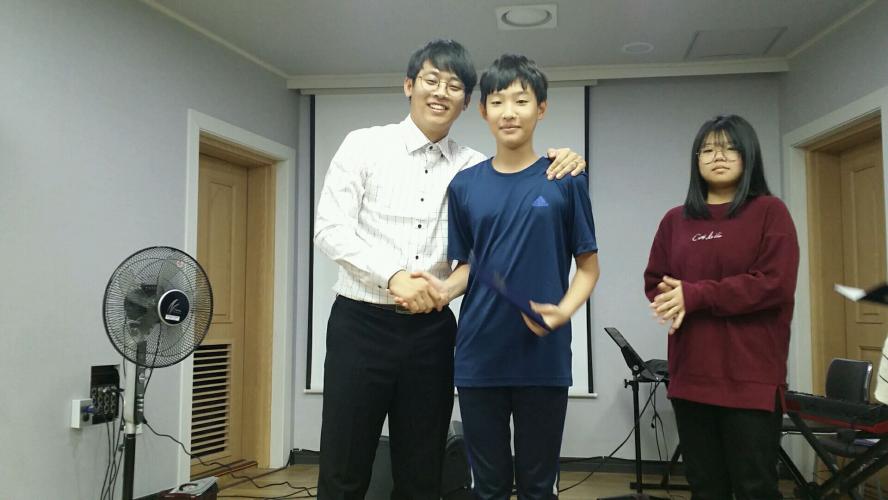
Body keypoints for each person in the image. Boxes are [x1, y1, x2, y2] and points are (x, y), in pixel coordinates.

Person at [313, 39, 585, 500]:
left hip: (432, 334)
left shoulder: (474, 168)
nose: (441, 92)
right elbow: (330, 229)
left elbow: (480, 258)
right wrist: (393, 277)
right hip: (361, 326)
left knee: (422, 473)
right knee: (343, 470)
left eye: (454, 86)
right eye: (431, 80)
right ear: (409, 85)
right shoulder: (363, 145)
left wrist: (566, 157)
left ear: (467, 103)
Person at [400, 54, 599, 500]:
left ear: (541, 108)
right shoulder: (464, 186)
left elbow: (589, 267)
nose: (509, 112)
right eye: (498, 102)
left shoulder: (565, 179)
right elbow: (468, 268)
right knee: (487, 488)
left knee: (538, 487)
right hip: (479, 355)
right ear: (483, 111)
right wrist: (442, 290)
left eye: (521, 101)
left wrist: (563, 311)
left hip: (544, 358)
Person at [643, 114, 799, 499]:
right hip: (691, 377)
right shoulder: (675, 221)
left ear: (748, 156)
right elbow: (656, 282)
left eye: (730, 148)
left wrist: (695, 295)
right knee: (705, 487)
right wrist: (673, 298)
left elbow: (773, 284)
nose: (719, 156)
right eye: (708, 149)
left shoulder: (770, 212)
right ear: (696, 159)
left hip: (750, 378)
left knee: (755, 488)